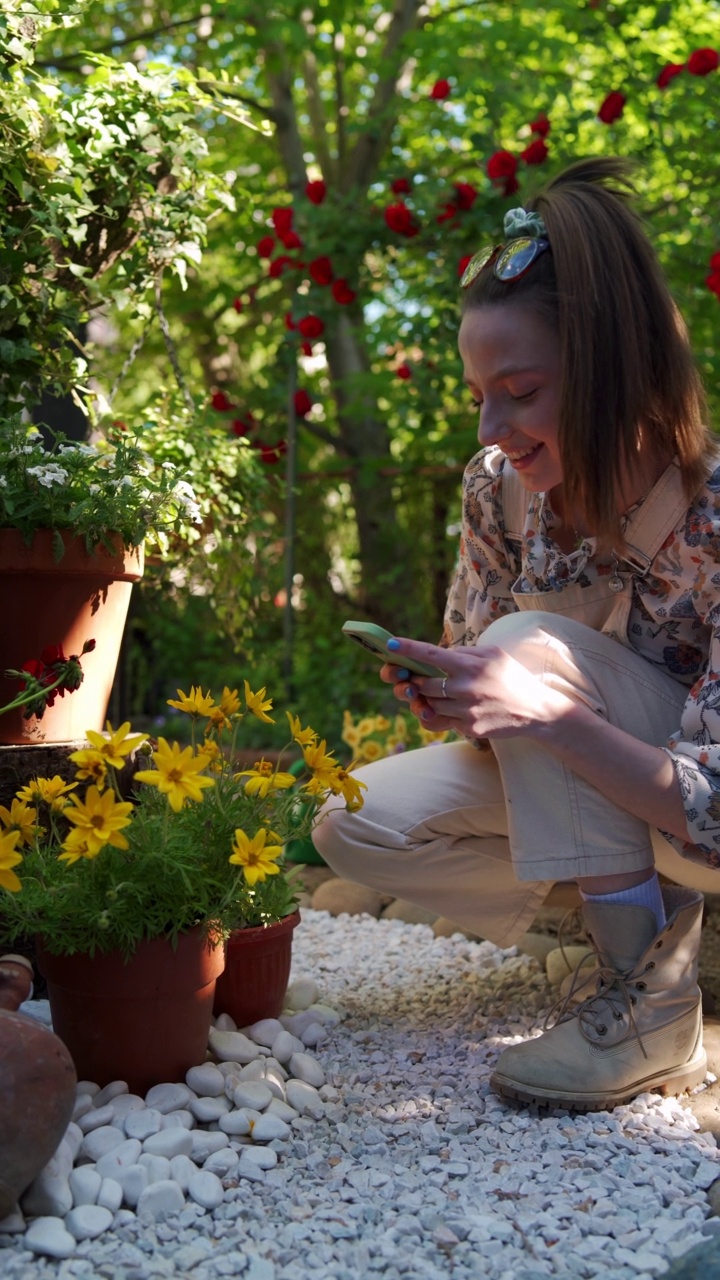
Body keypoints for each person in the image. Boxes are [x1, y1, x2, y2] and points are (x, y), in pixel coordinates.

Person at [312, 157, 720, 1112]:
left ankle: (650, 1007)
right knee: (353, 819)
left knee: (527, 648)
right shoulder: (498, 492)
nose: (494, 427)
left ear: (615, 372)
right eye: (479, 395)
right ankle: (641, 922)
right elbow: (498, 704)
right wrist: (465, 702)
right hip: (609, 799)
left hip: (693, 823)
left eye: (522, 390)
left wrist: (537, 704)